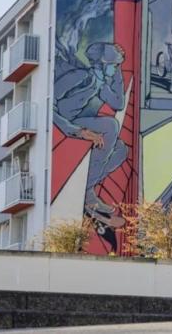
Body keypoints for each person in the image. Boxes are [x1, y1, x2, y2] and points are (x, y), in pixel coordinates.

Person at [53, 42, 128, 215]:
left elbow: (118, 102)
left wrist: (117, 68)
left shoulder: (99, 83)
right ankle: (88, 194)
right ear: (102, 64)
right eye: (114, 66)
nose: (115, 69)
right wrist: (78, 131)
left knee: (121, 150)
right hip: (63, 124)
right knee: (111, 126)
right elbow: (50, 103)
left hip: (76, 120)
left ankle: (85, 187)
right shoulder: (79, 76)